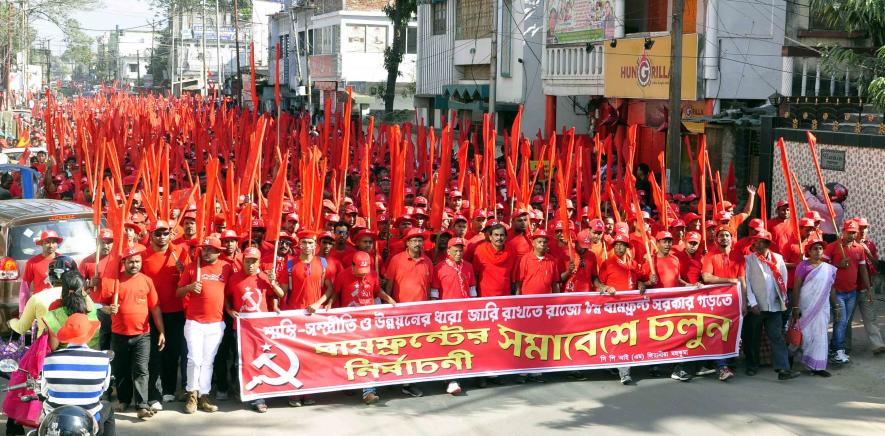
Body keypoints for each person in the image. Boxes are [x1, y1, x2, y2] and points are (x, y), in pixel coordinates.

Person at [103, 245, 167, 419]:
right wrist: (109, 309)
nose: (134, 265)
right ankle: (124, 400)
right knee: (121, 369)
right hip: (119, 334)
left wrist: (161, 331)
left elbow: (155, 308)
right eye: (131, 262)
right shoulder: (115, 281)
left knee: (141, 369)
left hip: (142, 335)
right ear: (124, 262)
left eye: (137, 261)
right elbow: (101, 305)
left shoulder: (147, 281)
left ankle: (142, 405)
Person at [224, 247, 284, 412]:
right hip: (241, 327)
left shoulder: (264, 277)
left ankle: (259, 396)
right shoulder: (234, 279)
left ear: (259, 262)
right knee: (241, 361)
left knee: (261, 360)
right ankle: (242, 389)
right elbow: (225, 297)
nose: (250, 265)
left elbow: (279, 294)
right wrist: (229, 310)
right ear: (243, 261)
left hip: (260, 328)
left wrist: (273, 284)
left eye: (254, 261)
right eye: (248, 261)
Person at [177, 235, 232, 414]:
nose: (206, 252)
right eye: (204, 249)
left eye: (211, 250)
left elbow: (230, 291)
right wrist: (189, 287)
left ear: (218, 252)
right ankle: (192, 394)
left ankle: (204, 395)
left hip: (216, 323)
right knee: (194, 359)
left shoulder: (226, 267)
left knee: (208, 361)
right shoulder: (192, 267)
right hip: (194, 322)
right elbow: (178, 292)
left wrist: (230, 309)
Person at [333, 251, 395, 404]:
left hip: (368, 322)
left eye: (365, 271)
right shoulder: (342, 276)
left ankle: (369, 391)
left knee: (368, 353)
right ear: (352, 265)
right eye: (359, 271)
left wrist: (389, 299)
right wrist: (328, 307)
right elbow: (334, 293)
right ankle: (350, 382)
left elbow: (377, 292)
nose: (362, 274)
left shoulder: (373, 275)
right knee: (351, 354)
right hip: (349, 323)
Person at [141, 220, 189, 404]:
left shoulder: (180, 252)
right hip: (151, 312)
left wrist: (184, 271)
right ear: (151, 235)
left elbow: (190, 279)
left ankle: (169, 389)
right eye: (158, 233)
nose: (162, 237)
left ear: (170, 234)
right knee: (154, 354)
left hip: (176, 311)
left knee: (172, 352)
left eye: (165, 233)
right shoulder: (143, 256)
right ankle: (154, 392)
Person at [41, 313, 114, 435]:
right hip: (89, 418)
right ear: (89, 335)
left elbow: (44, 392)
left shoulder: (48, 359)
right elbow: (103, 389)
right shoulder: (103, 359)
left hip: (55, 419)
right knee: (108, 407)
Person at [595, 233, 652, 385]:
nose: (619, 247)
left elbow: (641, 278)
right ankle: (623, 371)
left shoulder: (633, 264)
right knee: (619, 339)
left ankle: (621, 367)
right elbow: (598, 284)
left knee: (626, 339)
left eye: (622, 245)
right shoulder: (607, 264)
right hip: (613, 308)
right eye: (617, 245)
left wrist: (642, 283)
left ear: (627, 247)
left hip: (631, 309)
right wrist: (606, 288)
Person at [743, 230, 800, 380]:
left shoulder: (778, 258)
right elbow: (747, 283)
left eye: (760, 241)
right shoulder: (749, 260)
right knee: (753, 338)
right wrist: (752, 303)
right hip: (757, 306)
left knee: (777, 337)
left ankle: (783, 369)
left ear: (767, 244)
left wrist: (782, 300)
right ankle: (752, 366)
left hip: (774, 306)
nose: (757, 244)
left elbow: (783, 280)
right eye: (756, 241)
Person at [384, 227, 432, 397]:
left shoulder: (427, 261)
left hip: (421, 315)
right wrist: (387, 306)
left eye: (420, 240)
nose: (418, 243)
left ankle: (408, 382)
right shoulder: (396, 260)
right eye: (414, 240)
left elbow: (429, 287)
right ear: (407, 243)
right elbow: (389, 285)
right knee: (400, 348)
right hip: (400, 313)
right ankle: (398, 379)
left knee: (415, 348)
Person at [430, 237, 476, 395]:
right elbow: (434, 292)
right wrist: (437, 313)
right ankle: (451, 379)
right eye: (455, 250)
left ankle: (462, 376)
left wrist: (475, 308)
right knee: (450, 346)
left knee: (465, 345)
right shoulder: (439, 268)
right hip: (447, 315)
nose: (458, 253)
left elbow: (473, 289)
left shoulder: (468, 266)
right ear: (448, 251)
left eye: (461, 250)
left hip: (466, 313)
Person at [700, 226, 747, 381]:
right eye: (721, 235)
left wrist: (744, 302)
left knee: (731, 332)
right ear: (716, 239)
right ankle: (722, 367)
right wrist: (728, 280)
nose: (724, 238)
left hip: (733, 301)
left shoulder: (738, 256)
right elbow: (706, 277)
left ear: (731, 238)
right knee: (718, 333)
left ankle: (724, 362)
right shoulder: (710, 255)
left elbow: (742, 281)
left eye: (727, 235)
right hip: (715, 301)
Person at [824, 220, 870, 363]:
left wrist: (868, 288)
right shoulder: (832, 247)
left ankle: (833, 349)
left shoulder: (859, 248)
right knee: (841, 321)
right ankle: (839, 351)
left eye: (854, 232)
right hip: (836, 292)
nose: (851, 235)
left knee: (843, 322)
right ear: (843, 232)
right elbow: (822, 267)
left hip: (852, 292)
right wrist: (838, 265)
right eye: (849, 232)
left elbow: (863, 270)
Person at [791, 239, 837, 376]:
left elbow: (831, 289)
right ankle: (791, 359)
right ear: (809, 251)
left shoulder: (828, 268)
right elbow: (796, 287)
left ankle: (817, 367)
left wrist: (836, 307)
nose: (818, 251)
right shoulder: (803, 266)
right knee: (805, 334)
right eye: (815, 248)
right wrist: (795, 307)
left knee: (820, 334)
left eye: (820, 248)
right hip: (805, 307)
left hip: (822, 307)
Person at [9, 256, 78, 337]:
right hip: (78, 342)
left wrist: (11, 322)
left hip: (47, 343)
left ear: (50, 276)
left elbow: (21, 328)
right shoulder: (82, 297)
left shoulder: (37, 298)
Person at [80, 229, 114, 350]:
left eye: (109, 242)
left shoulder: (119, 260)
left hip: (115, 307)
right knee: (102, 342)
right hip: (98, 308)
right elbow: (78, 288)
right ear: (97, 243)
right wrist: (89, 283)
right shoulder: (87, 261)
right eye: (102, 242)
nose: (106, 245)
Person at [20, 230, 63, 312]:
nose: (51, 245)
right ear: (41, 244)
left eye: (54, 242)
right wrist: (22, 309)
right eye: (47, 242)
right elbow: (24, 288)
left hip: (60, 305)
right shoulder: (32, 262)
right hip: (41, 305)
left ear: (57, 244)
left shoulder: (63, 260)